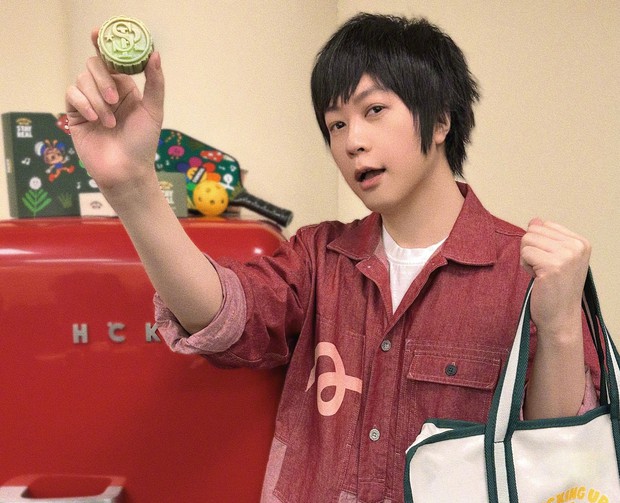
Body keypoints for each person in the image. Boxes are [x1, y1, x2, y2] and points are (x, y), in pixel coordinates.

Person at [66, 13, 599, 503]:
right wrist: (131, 186)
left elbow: (555, 458)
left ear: (440, 121)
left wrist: (559, 327)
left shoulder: (524, 270)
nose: (351, 142)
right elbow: (223, 316)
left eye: (373, 111)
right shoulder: (319, 257)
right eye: (336, 125)